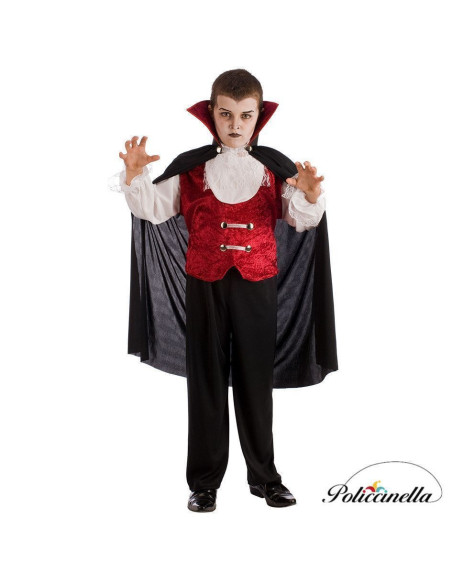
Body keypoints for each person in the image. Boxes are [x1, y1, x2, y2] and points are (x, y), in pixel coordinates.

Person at [109, 69, 338, 512]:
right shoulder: (191, 169)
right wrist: (134, 176)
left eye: (245, 115)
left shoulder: (275, 169)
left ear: (259, 117)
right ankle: (204, 483)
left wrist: (310, 197)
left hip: (258, 285)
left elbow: (300, 219)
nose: (235, 124)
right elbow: (153, 209)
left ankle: (265, 478)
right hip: (204, 283)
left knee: (256, 379)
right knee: (206, 379)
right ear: (211, 114)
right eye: (226, 114)